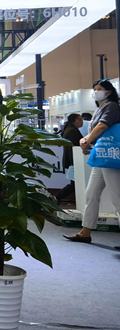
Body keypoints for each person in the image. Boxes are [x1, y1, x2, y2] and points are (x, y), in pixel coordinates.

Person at [63, 80, 120, 244]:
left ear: (108, 92)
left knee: (117, 196)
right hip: (102, 155)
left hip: (109, 155)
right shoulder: (101, 108)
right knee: (91, 194)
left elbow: (102, 126)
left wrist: (86, 139)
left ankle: (85, 231)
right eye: (94, 89)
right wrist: (88, 141)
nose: (96, 92)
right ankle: (85, 231)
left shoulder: (112, 106)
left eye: (99, 89)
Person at [54, 113, 83, 204]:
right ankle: (57, 197)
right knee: (75, 183)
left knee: (75, 183)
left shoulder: (69, 129)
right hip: (74, 160)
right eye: (80, 119)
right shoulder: (72, 131)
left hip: (72, 160)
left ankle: (57, 197)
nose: (82, 122)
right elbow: (75, 147)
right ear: (76, 120)